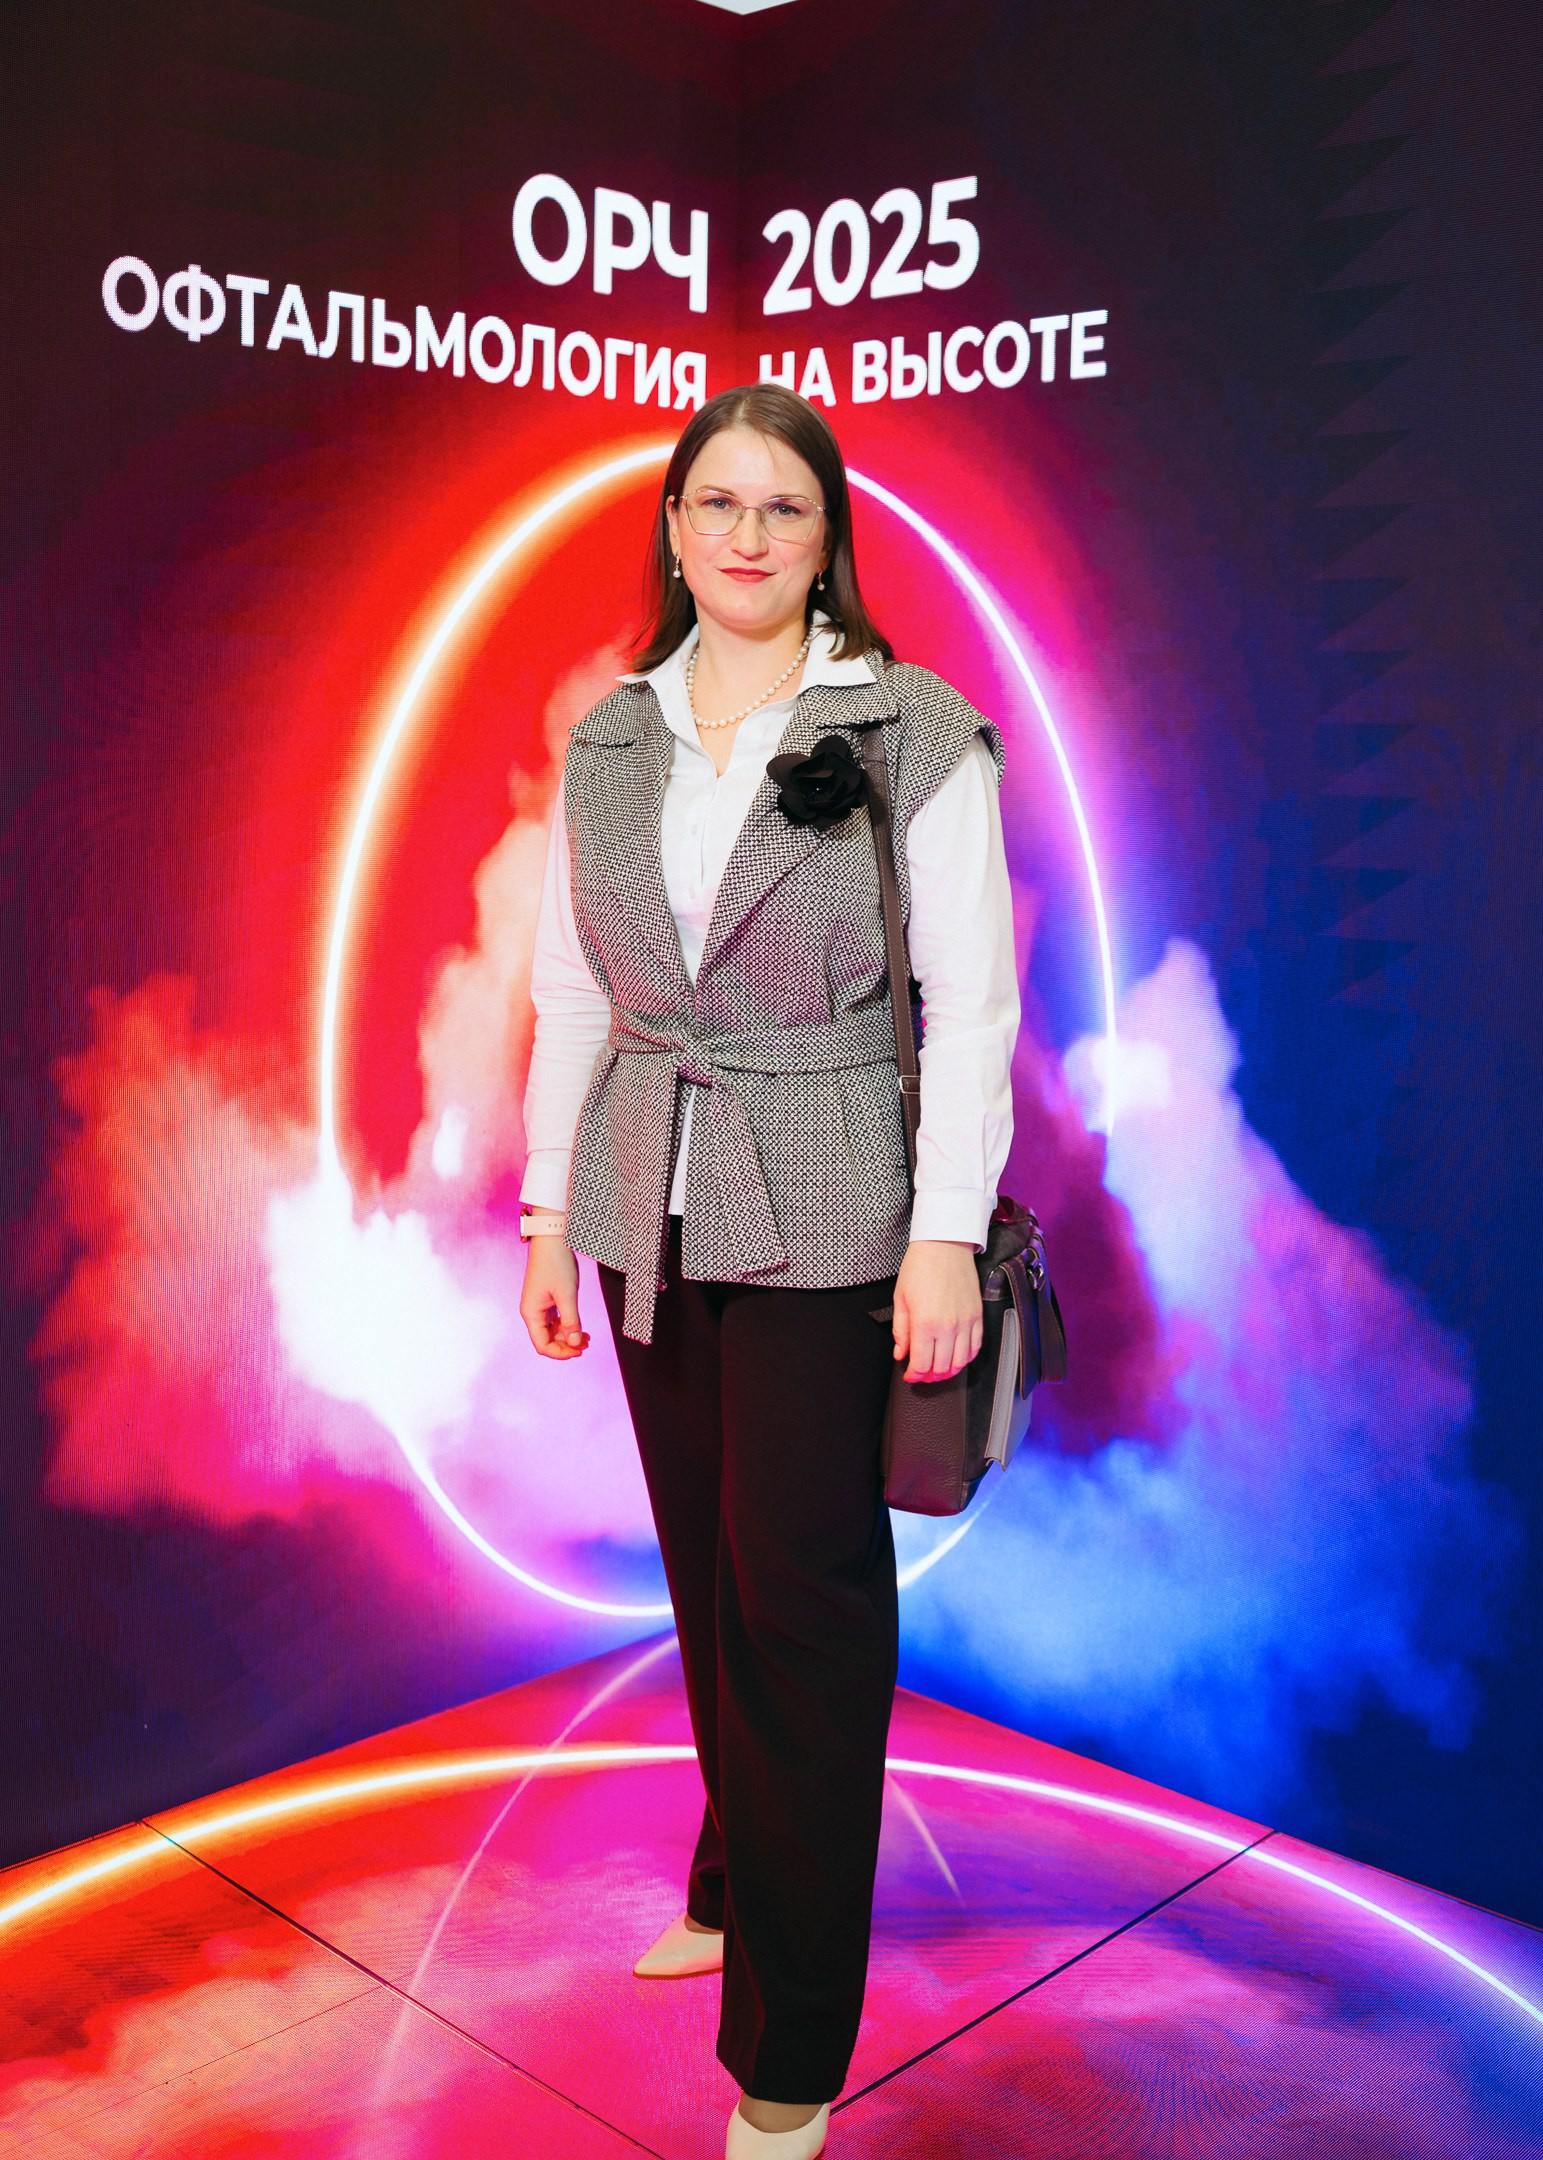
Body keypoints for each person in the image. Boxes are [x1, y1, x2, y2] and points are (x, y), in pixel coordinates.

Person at [518, 383, 1018, 2159]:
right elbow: (573, 989)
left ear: (827, 539)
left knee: (801, 1609)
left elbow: (973, 1006)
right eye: (716, 502)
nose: (746, 534)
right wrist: (547, 1214)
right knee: (706, 1573)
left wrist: (943, 1231)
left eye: (783, 507)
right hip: (643, 1191)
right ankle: (735, 1884)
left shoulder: (914, 726)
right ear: (672, 527)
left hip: (833, 1202)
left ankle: (791, 2054)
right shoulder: (610, 737)